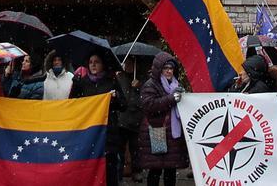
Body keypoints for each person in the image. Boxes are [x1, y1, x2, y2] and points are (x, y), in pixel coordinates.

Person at [71, 52, 129, 186]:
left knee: (110, 170)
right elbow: (74, 104)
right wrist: (75, 85)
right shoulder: (83, 83)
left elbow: (123, 105)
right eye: (91, 62)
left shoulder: (111, 82)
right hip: (89, 133)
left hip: (109, 133)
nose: (93, 65)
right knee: (90, 168)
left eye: (96, 61)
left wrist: (115, 98)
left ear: (103, 65)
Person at [137, 53, 189, 186]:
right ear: (159, 69)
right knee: (155, 170)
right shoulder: (151, 85)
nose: (169, 71)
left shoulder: (177, 84)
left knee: (170, 170)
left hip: (172, 135)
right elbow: (149, 105)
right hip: (157, 133)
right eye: (165, 68)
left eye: (171, 68)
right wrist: (171, 99)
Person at [115, 58, 145, 184]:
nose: (128, 66)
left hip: (136, 119)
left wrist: (138, 87)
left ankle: (136, 171)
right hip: (121, 119)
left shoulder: (141, 78)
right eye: (126, 63)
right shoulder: (118, 77)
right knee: (120, 149)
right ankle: (119, 172)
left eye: (131, 63)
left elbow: (144, 99)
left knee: (135, 148)